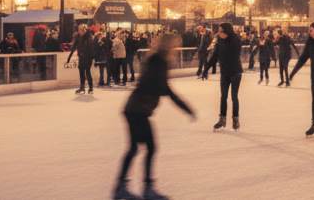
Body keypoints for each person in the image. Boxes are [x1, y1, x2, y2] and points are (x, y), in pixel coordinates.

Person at [112, 34, 196, 200]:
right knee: (148, 147)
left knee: (136, 148)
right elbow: (162, 87)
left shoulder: (155, 59)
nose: (177, 48)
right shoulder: (159, 61)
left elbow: (159, 86)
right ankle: (143, 188)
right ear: (169, 46)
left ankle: (122, 187)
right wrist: (186, 108)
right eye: (175, 45)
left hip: (135, 108)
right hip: (138, 110)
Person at [204, 23, 243, 131]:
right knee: (223, 96)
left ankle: (235, 119)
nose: (219, 33)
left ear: (227, 31)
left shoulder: (236, 40)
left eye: (221, 31)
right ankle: (222, 119)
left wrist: (222, 49)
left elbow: (233, 55)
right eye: (219, 31)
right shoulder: (220, 41)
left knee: (234, 96)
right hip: (225, 73)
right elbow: (215, 56)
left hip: (235, 72)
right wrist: (206, 70)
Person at [66, 24, 97, 94]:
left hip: (88, 58)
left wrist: (93, 58)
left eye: (80, 30)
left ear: (84, 30)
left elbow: (92, 49)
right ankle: (82, 88)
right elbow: (74, 47)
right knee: (81, 72)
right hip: (81, 57)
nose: (78, 31)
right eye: (78, 29)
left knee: (87, 72)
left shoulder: (89, 37)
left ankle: (91, 88)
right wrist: (69, 58)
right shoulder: (78, 37)